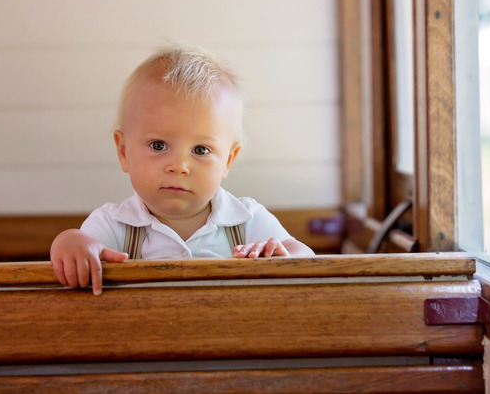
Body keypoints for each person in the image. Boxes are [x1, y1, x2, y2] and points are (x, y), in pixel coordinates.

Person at [50, 41, 314, 295]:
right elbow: (75, 249)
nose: (179, 166)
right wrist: (69, 243)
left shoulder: (247, 221)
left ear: (228, 161)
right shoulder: (114, 225)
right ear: (124, 151)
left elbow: (308, 261)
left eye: (200, 150)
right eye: (158, 145)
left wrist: (283, 255)